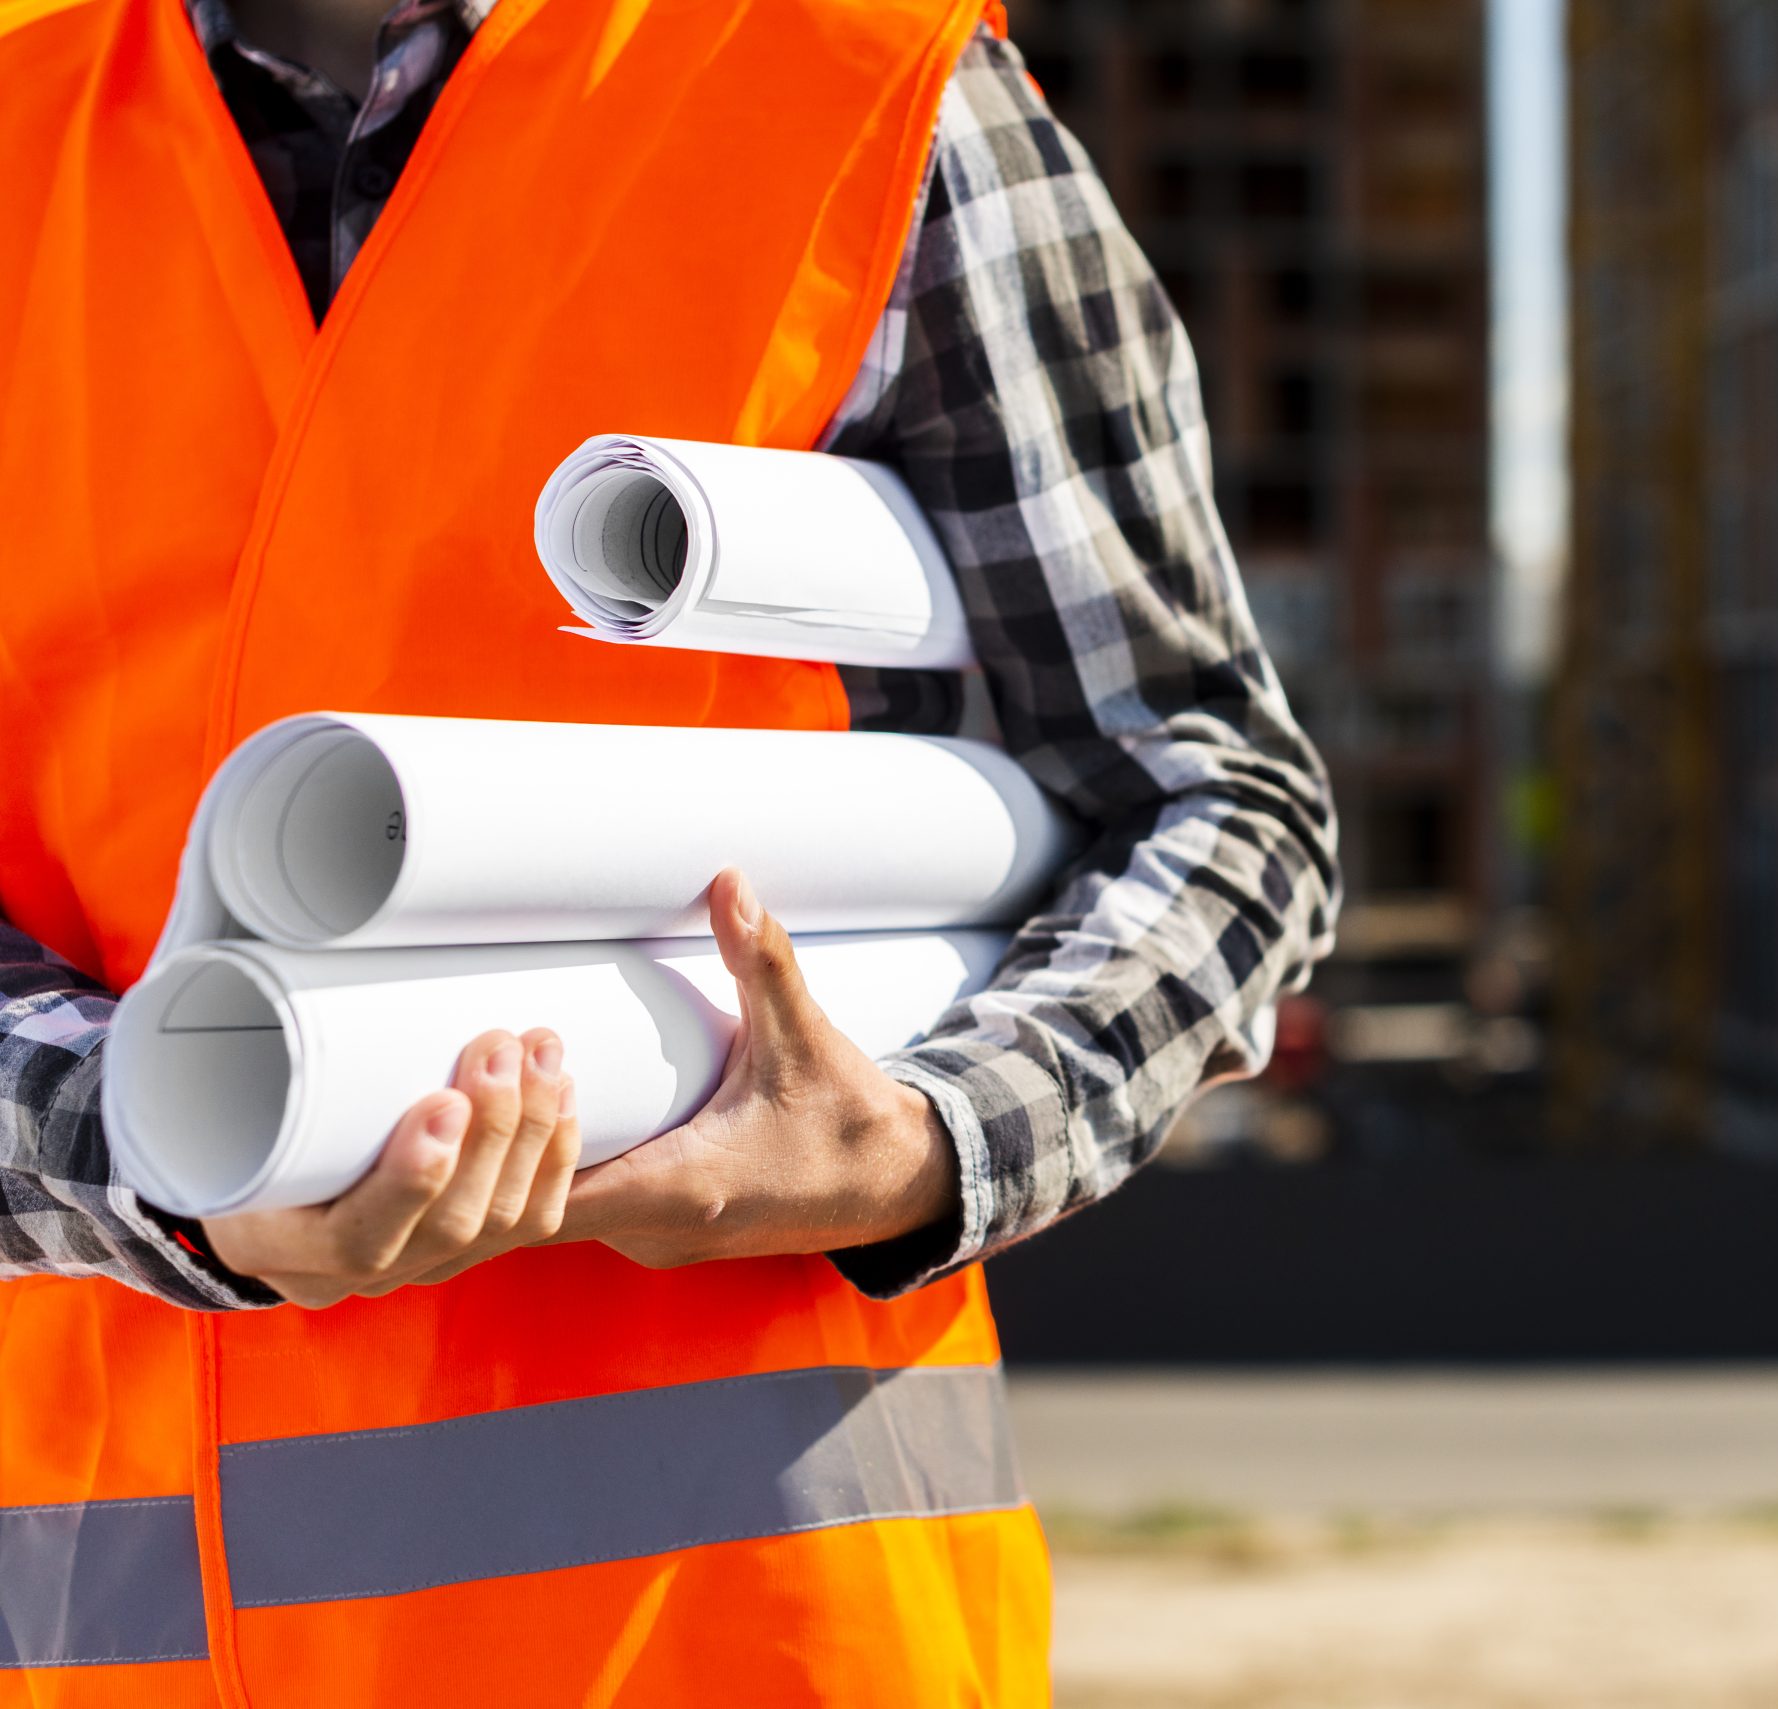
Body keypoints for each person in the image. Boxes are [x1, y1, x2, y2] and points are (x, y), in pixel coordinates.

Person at [0, 0, 1339, 1698]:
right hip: (114, 1650)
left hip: (732, 1639)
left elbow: (1213, 799)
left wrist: (929, 1141)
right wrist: (151, 1168)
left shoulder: (849, 90)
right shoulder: (21, 134)